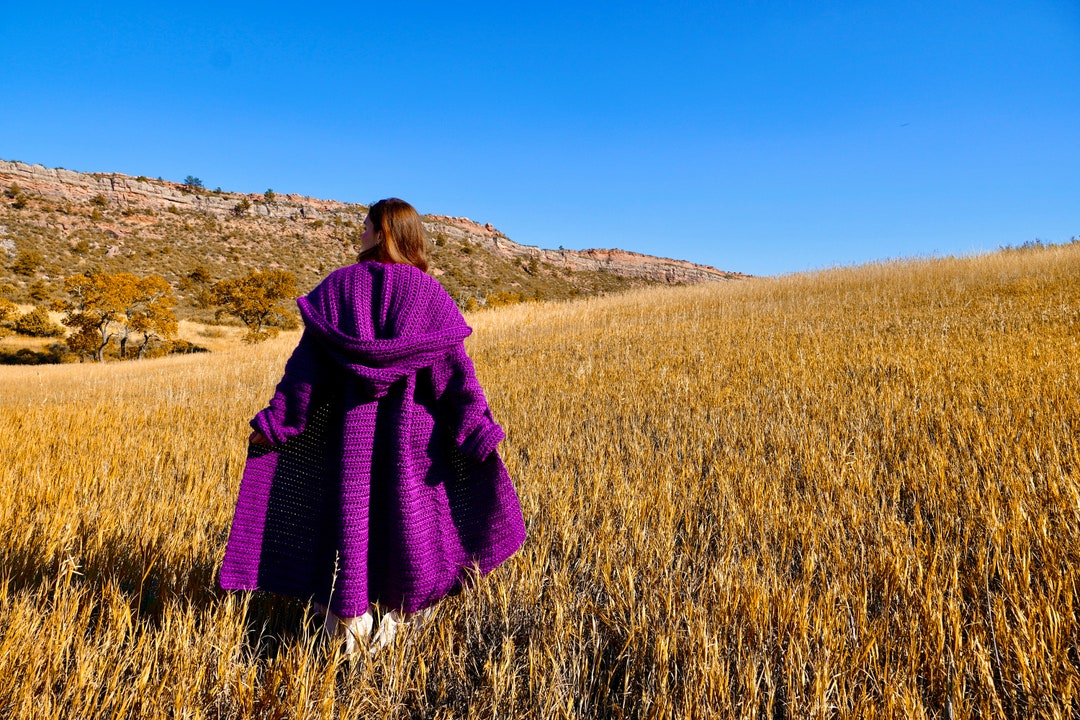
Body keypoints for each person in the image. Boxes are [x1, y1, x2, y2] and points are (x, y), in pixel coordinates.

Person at [219, 198, 526, 654]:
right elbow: (455, 379)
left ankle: (348, 626)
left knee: (346, 528)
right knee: (412, 529)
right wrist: (477, 430)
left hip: (349, 441)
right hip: (414, 444)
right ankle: (400, 625)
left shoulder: (337, 289)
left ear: (384, 232)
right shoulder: (430, 297)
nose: (359, 233)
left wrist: (277, 423)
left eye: (365, 226)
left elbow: (305, 375)